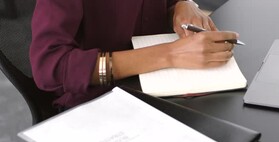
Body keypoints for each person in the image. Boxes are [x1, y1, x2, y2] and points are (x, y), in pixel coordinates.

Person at [30, 0, 239, 109]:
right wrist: (169, 54)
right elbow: (50, 67)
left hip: (157, 88)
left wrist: (182, 6)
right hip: (98, 103)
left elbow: (152, 12)